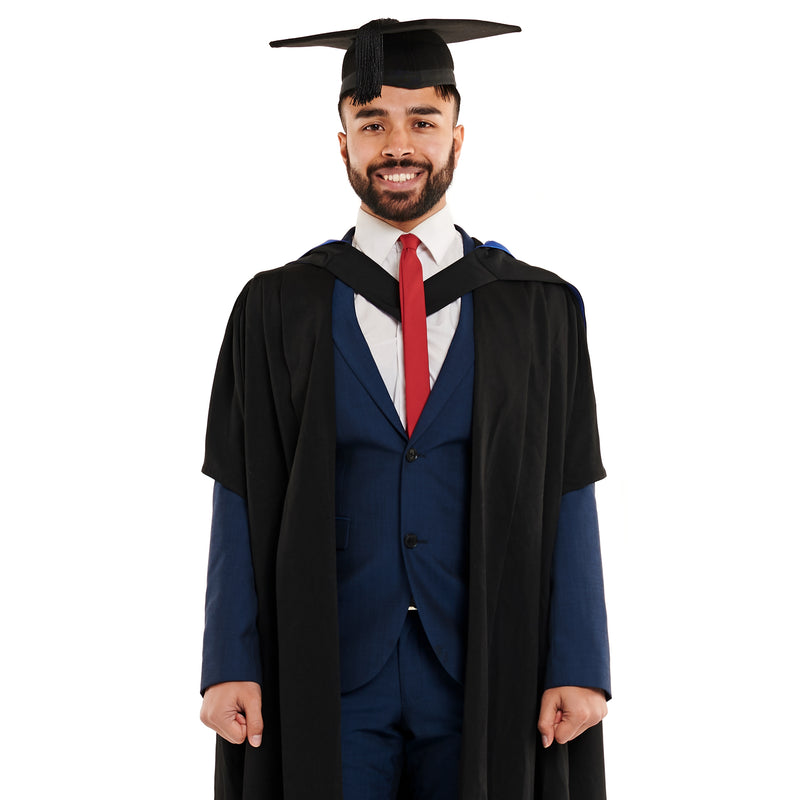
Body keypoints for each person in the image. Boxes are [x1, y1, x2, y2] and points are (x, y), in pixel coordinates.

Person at [199, 18, 610, 800]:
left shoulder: (539, 309)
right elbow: (240, 490)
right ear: (343, 141)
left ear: (459, 135)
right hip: (327, 662)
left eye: (422, 120)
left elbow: (569, 487)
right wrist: (229, 663)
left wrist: (580, 663)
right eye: (372, 122)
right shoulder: (276, 306)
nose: (399, 144)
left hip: (489, 655)